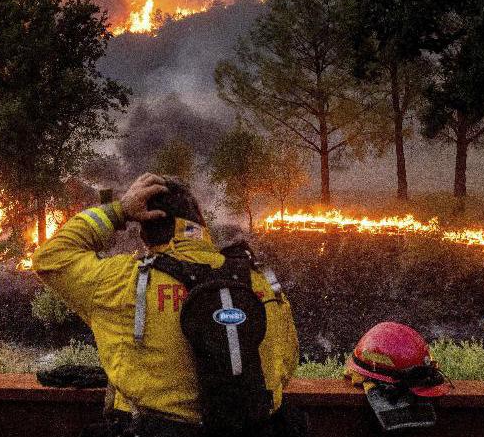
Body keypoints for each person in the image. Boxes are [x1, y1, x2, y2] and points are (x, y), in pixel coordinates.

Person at [33, 173, 301, 437]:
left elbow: (51, 257)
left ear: (144, 232)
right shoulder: (259, 281)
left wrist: (119, 211)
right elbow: (286, 365)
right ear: (201, 223)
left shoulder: (121, 281)